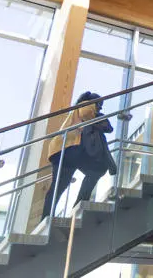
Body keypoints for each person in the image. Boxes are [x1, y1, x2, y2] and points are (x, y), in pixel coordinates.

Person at [41, 91, 117, 220]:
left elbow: (107, 127)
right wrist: (99, 119)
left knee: (59, 186)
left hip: (63, 150)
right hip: (70, 148)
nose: (101, 107)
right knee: (97, 169)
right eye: (100, 104)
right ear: (95, 102)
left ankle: (46, 218)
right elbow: (87, 114)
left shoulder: (79, 108)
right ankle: (79, 205)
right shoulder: (86, 105)